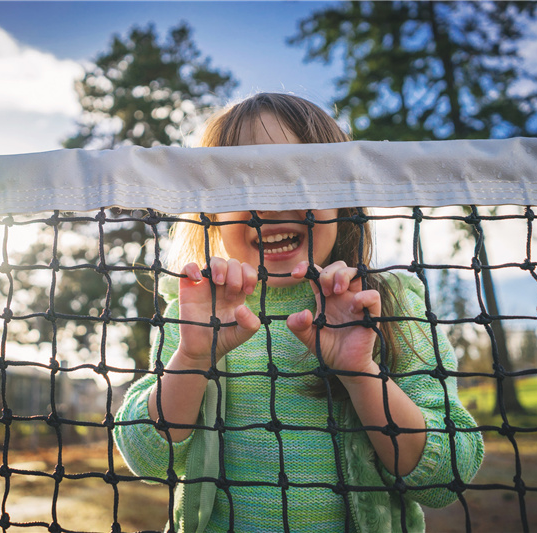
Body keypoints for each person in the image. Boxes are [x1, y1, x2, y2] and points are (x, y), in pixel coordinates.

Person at [114, 93, 483, 532]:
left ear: (342, 196)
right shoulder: (196, 310)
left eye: (296, 176)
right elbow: (148, 458)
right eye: (242, 181)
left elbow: (446, 478)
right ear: (210, 212)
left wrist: (360, 371)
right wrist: (192, 359)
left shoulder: (389, 303)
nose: (268, 205)